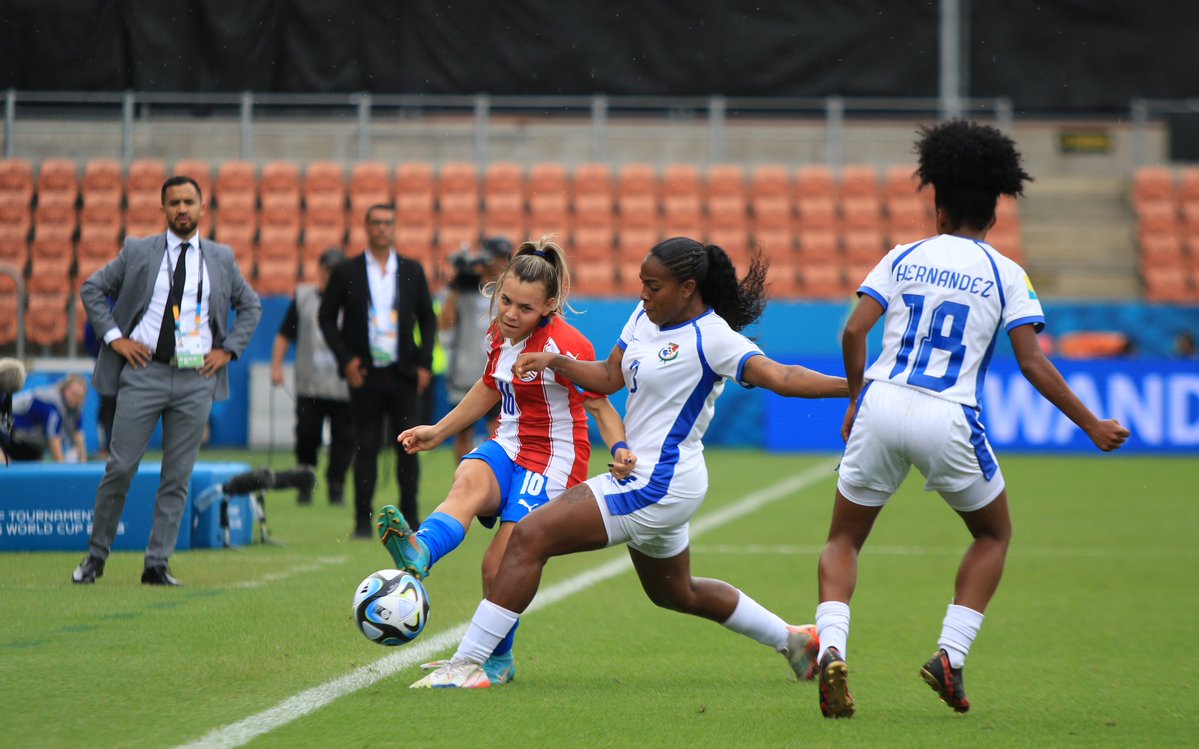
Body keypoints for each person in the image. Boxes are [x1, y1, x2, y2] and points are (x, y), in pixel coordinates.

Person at [409, 236, 849, 689]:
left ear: (688, 287)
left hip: (660, 480)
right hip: (650, 477)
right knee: (676, 591)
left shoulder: (713, 336)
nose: (642, 293)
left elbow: (782, 376)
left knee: (529, 536)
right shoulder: (644, 316)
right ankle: (795, 639)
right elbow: (607, 376)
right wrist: (555, 361)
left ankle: (469, 662)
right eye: (642, 282)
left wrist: (855, 385)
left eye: (653, 286)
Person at [813, 120, 1130, 719]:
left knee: (844, 539)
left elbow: (854, 330)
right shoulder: (1005, 273)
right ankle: (950, 658)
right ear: (994, 213)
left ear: (936, 205)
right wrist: (1090, 424)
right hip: (949, 414)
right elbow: (1033, 364)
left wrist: (857, 399)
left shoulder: (903, 256)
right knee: (993, 534)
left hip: (882, 402)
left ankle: (831, 647)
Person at [380, 237, 634, 685]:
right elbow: (489, 386)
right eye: (506, 301)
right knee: (468, 478)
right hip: (510, 442)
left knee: (497, 565)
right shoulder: (499, 332)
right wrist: (438, 431)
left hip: (553, 460)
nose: (511, 314)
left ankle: (498, 660)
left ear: (549, 306)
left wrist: (619, 450)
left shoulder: (565, 344)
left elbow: (601, 407)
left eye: (524, 308)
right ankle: (421, 549)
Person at [72, 175, 262, 586]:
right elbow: (92, 288)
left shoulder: (221, 257)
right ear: (163, 209)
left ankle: (157, 563)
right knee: (120, 467)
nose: (181, 209)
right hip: (144, 372)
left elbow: (251, 306)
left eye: (188, 202)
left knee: (178, 475)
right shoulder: (139, 250)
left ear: (202, 207)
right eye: (173, 202)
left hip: (196, 377)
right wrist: (116, 339)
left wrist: (228, 350)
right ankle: (95, 557)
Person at [318, 204, 437, 537]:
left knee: (409, 447)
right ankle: (361, 520)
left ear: (395, 227)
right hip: (365, 373)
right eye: (376, 223)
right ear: (366, 227)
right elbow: (325, 317)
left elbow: (428, 318)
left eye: (387, 223)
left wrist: (424, 363)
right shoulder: (347, 271)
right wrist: (345, 360)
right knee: (366, 446)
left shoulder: (412, 270)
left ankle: (412, 517)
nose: (382, 229)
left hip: (402, 373)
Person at [271, 248, 354, 506]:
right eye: (328, 270)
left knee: (344, 441)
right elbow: (285, 334)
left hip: (344, 384)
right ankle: (305, 481)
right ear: (320, 270)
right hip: (310, 383)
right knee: (307, 437)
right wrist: (276, 365)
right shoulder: (304, 297)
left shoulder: (354, 299)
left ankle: (336, 486)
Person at [440, 236, 511, 460]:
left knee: (499, 432)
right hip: (466, 371)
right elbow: (444, 323)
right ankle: (464, 483)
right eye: (497, 258)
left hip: (499, 370)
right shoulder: (465, 290)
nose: (500, 264)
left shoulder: (510, 293)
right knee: (463, 432)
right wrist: (457, 284)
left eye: (504, 259)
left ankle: (495, 484)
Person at [4, 375, 88, 462]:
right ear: (65, 389)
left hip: (31, 443)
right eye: (74, 394)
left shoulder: (76, 408)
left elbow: (78, 435)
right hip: (10, 433)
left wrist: (83, 462)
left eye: (80, 397)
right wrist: (63, 469)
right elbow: (54, 439)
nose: (76, 399)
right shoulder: (52, 405)